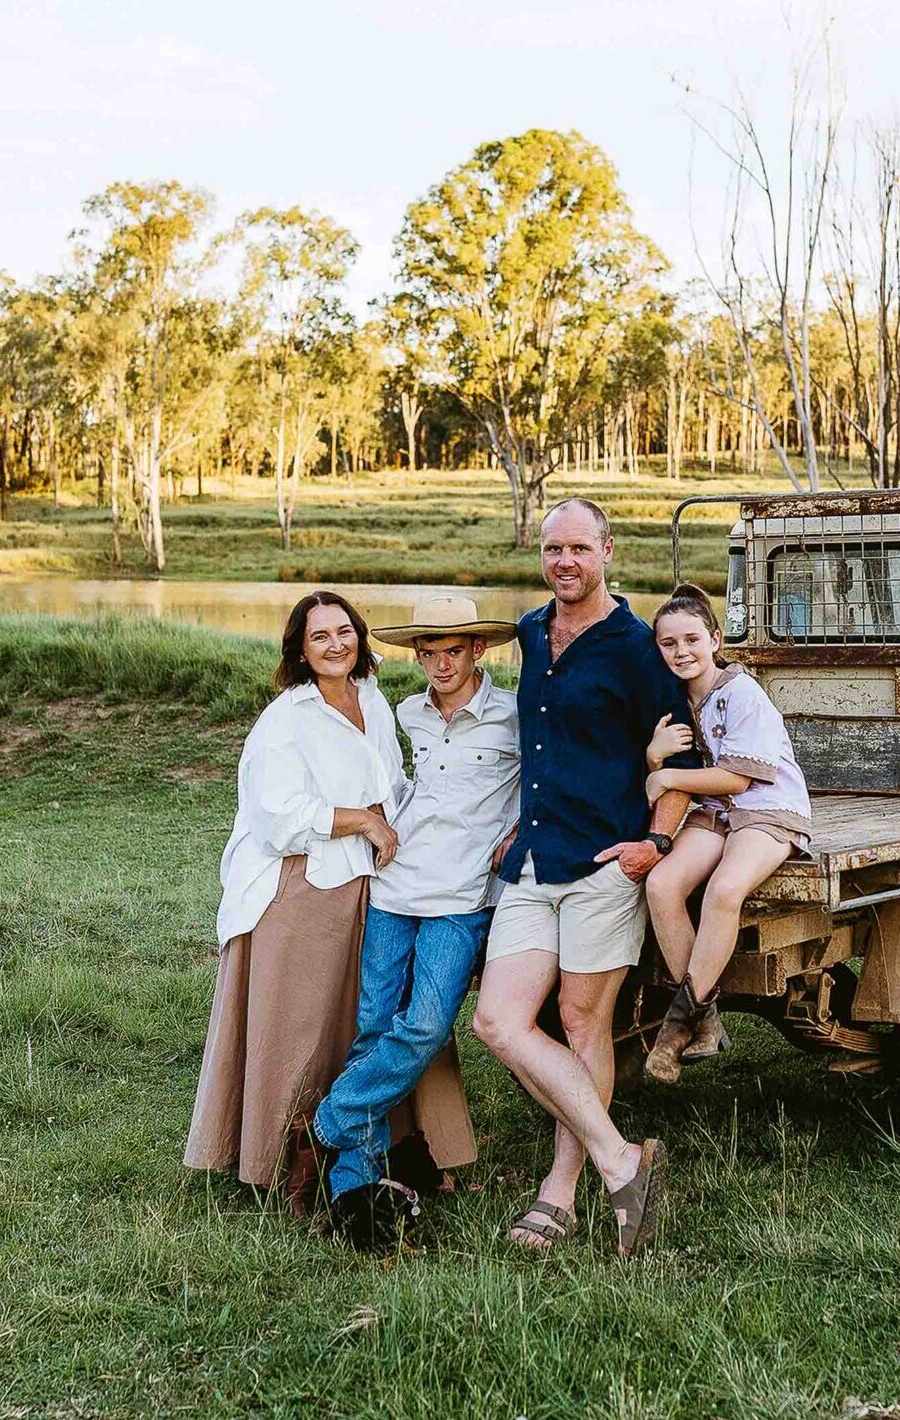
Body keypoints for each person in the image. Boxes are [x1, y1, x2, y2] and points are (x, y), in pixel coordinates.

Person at [184, 591, 472, 1202]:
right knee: (307, 1031)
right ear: (300, 649)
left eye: (344, 631)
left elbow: (394, 785)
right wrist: (363, 820)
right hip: (305, 885)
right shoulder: (286, 720)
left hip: (375, 882)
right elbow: (277, 818)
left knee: (376, 1017)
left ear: (360, 638)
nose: (336, 644)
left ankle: (397, 1148)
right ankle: (284, 1160)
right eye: (320, 636)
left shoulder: (372, 697)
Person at [471, 498, 689, 1257]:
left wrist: (655, 843)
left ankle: (560, 1190)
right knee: (497, 1022)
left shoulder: (637, 648)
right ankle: (622, 1159)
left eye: (579, 548)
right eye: (553, 548)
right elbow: (544, 744)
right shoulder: (533, 631)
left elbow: (684, 757)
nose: (565, 561)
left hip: (604, 862)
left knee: (581, 1022)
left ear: (607, 551)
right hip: (535, 856)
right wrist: (519, 819)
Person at [310, 593, 519, 1247]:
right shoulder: (408, 712)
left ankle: (332, 1119)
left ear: (478, 649)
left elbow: (543, 785)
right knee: (373, 1026)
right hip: (395, 885)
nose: (441, 664)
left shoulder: (514, 716)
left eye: (453, 651)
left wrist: (522, 830)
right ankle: (354, 1189)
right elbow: (406, 787)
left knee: (425, 1024)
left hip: (461, 895)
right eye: (429, 653)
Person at [639, 583, 812, 1083]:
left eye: (692, 639)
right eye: (669, 643)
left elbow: (738, 779)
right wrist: (654, 755)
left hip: (767, 808)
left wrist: (666, 778)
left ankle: (676, 1026)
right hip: (715, 810)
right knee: (662, 885)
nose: (681, 652)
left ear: (715, 639)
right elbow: (666, 771)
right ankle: (706, 1018)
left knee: (724, 890)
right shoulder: (675, 700)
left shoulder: (741, 693)